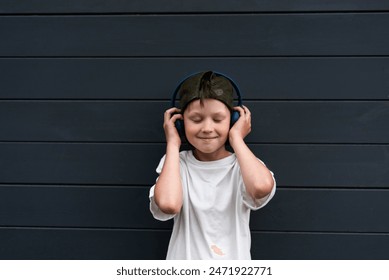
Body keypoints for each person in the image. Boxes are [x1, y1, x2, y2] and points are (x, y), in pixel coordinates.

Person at [149, 71, 276, 260]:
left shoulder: (243, 164)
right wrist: (173, 143)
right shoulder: (177, 163)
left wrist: (236, 138)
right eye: (196, 119)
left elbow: (260, 188)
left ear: (233, 121)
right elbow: (168, 204)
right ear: (180, 124)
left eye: (218, 120)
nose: (207, 128)